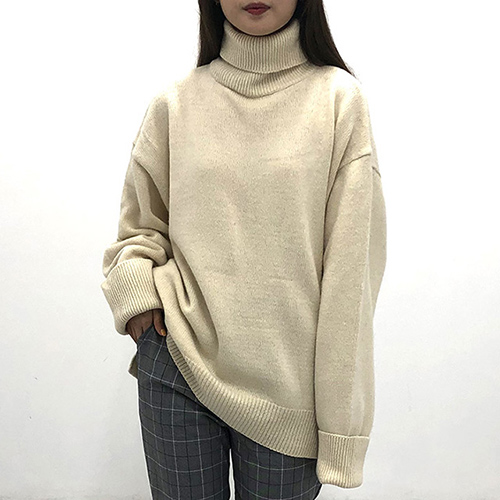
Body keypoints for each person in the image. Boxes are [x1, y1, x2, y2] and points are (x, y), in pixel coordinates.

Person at [100, 0, 387, 498]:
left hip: (289, 394)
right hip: (178, 360)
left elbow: (351, 274)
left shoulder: (338, 101)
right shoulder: (175, 104)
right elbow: (140, 228)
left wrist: (342, 426)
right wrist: (138, 299)